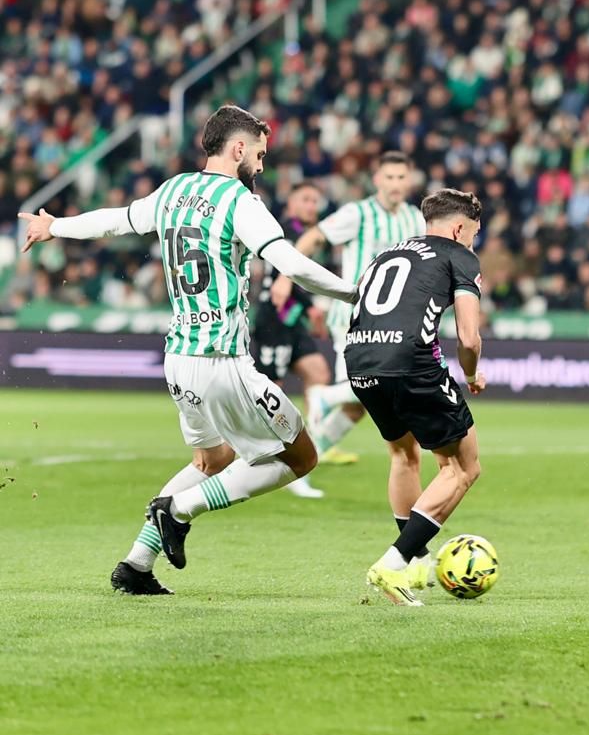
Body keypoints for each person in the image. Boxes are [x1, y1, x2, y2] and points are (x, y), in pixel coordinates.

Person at [17, 106, 358, 595]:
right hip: (223, 364)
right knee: (301, 457)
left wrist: (56, 226)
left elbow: (115, 221)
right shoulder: (239, 201)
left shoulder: (174, 189)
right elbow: (292, 265)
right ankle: (179, 510)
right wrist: (354, 294)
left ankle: (136, 563)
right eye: (259, 154)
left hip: (178, 362)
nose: (261, 165)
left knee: (211, 460)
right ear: (238, 148)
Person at [343, 188, 488, 606]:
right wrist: (473, 374)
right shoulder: (459, 256)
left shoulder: (386, 254)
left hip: (360, 360)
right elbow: (468, 336)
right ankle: (394, 560)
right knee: (463, 466)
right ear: (460, 227)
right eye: (473, 234)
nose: (472, 242)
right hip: (410, 364)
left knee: (405, 455)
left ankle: (416, 563)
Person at [272, 151, 425, 497]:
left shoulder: (415, 218)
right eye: (390, 177)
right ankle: (323, 399)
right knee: (373, 388)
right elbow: (314, 237)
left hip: (394, 321)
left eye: (402, 178)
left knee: (357, 407)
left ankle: (301, 467)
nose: (396, 184)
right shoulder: (359, 214)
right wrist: (286, 276)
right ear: (377, 180)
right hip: (355, 317)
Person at [251, 182, 333, 420]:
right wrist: (311, 308)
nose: (311, 206)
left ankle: (319, 440)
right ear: (291, 203)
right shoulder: (285, 232)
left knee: (318, 373)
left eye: (315, 201)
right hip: (274, 320)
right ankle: (265, 444)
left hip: (292, 318)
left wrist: (307, 309)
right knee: (271, 388)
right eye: (305, 200)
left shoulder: (303, 234)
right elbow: (282, 278)